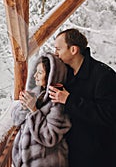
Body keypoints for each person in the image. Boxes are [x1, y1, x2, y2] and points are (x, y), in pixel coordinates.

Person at [49, 28, 116, 167]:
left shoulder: (104, 76)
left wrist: (69, 100)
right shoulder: (64, 75)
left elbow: (110, 115)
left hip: (99, 157)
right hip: (71, 153)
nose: (56, 54)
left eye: (58, 49)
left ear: (73, 50)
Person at [11, 53, 71, 167]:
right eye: (36, 71)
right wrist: (24, 107)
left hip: (46, 162)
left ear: (50, 76)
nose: (35, 76)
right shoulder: (36, 95)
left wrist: (33, 110)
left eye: (40, 72)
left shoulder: (58, 103)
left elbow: (50, 137)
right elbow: (15, 120)